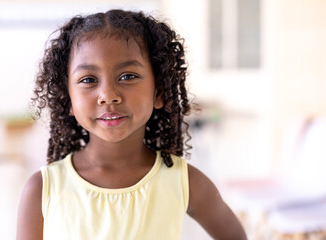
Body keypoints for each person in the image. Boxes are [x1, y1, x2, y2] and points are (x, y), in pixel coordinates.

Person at [16, 9, 247, 240]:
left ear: (159, 92)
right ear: (69, 99)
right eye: (88, 80)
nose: (108, 95)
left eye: (128, 76)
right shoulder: (42, 190)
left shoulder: (185, 181)